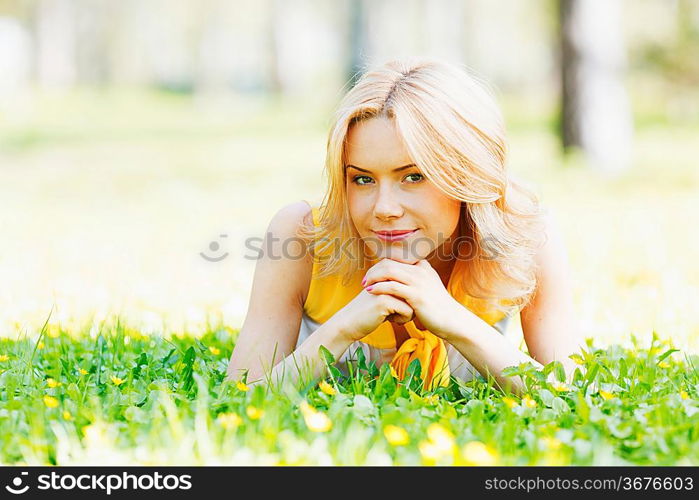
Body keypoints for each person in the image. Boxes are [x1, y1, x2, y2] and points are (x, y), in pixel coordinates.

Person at [227, 57, 583, 395]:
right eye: (363, 179)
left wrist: (452, 319)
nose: (384, 209)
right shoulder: (301, 234)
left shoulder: (525, 233)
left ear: (467, 173)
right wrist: (344, 327)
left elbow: (570, 394)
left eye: (413, 176)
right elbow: (243, 397)